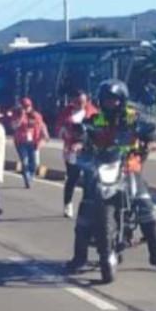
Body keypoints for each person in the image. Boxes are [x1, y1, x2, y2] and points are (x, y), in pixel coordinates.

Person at [67, 79, 156, 273]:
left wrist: (152, 142)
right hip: (102, 166)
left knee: (145, 205)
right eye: (106, 99)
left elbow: (150, 130)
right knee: (86, 206)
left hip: (129, 167)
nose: (109, 103)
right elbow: (85, 130)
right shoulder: (98, 119)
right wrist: (79, 140)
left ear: (122, 100)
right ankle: (79, 258)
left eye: (113, 99)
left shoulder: (132, 118)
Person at [56, 90, 99, 218]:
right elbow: (59, 128)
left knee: (89, 181)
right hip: (72, 150)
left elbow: (102, 129)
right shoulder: (66, 113)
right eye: (77, 102)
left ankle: (85, 207)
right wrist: (64, 133)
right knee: (72, 178)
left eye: (83, 102)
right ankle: (68, 204)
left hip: (89, 151)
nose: (80, 104)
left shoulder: (94, 112)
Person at [11, 97, 48, 189]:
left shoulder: (36, 115)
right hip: (21, 142)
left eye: (27, 106)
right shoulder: (17, 115)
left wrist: (45, 136)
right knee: (24, 161)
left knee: (34, 162)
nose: (26, 108)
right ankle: (26, 178)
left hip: (33, 142)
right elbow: (14, 126)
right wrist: (21, 115)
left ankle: (31, 175)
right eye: (24, 106)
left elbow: (42, 125)